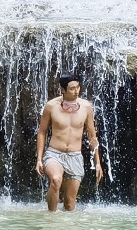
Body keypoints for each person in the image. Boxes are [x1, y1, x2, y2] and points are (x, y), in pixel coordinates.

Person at [35, 74, 101, 211]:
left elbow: (92, 137)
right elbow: (42, 132)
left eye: (78, 87)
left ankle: (66, 229)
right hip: (54, 153)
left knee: (70, 205)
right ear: (63, 90)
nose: (76, 91)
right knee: (56, 179)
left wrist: (98, 163)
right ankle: (51, 219)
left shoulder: (86, 107)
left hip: (75, 156)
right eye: (72, 88)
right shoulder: (51, 106)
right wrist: (39, 159)